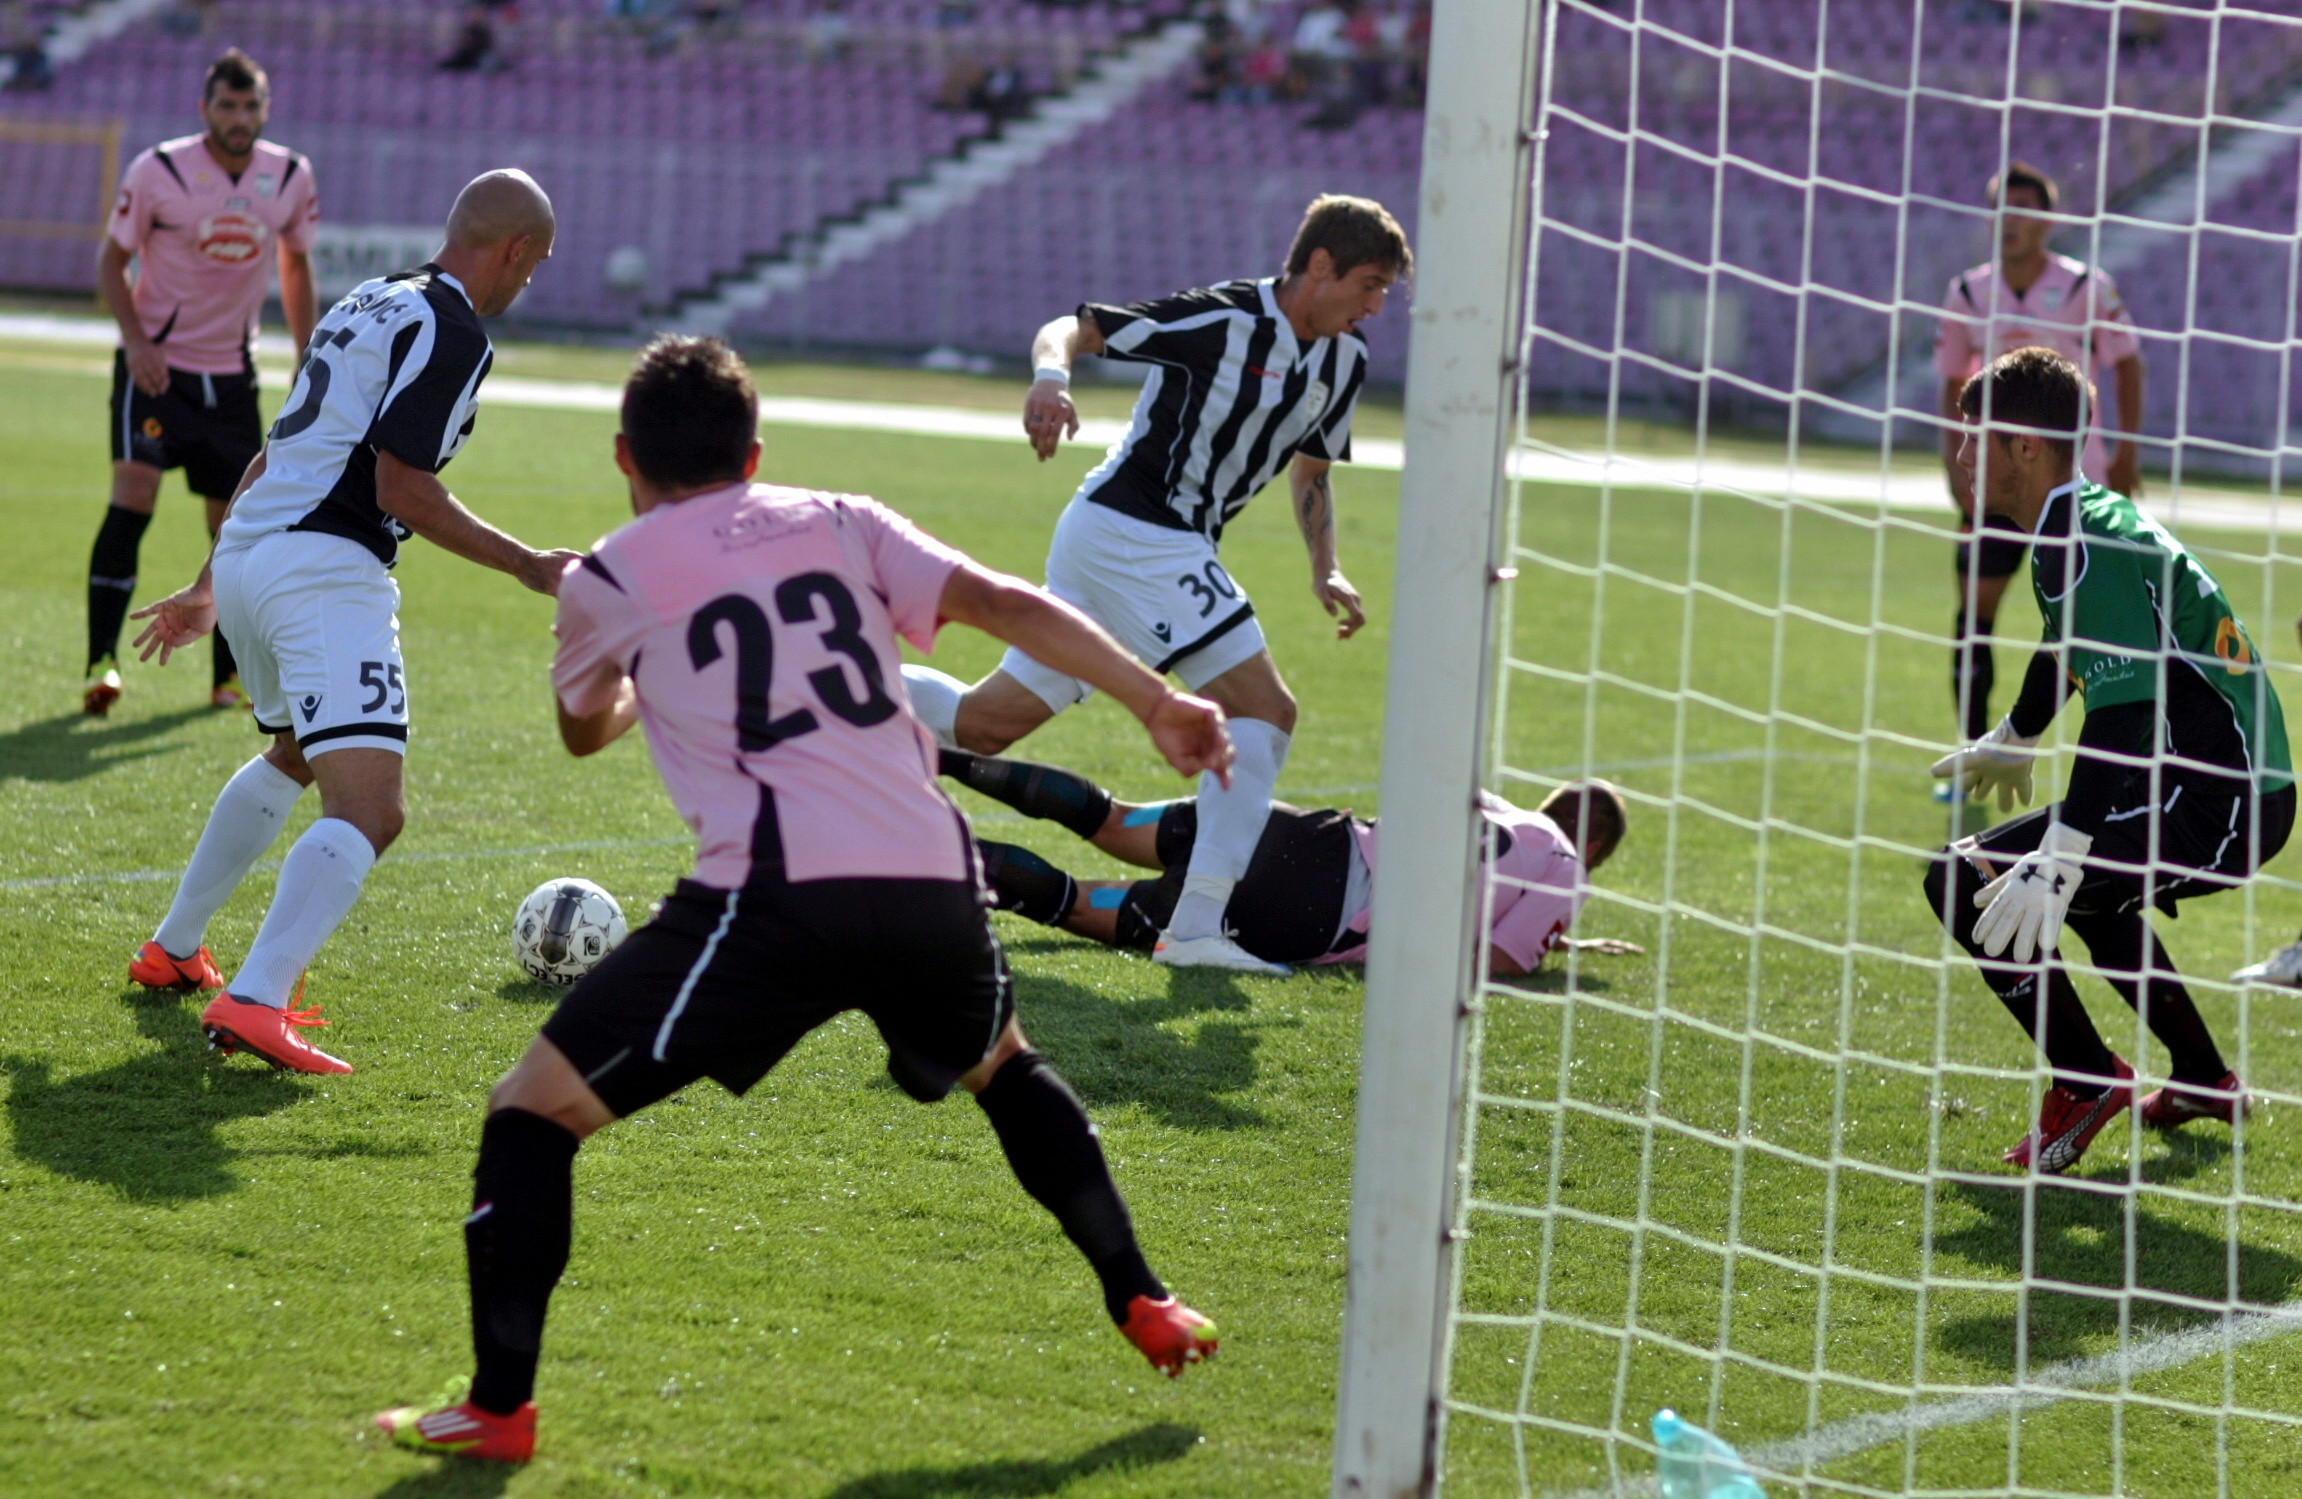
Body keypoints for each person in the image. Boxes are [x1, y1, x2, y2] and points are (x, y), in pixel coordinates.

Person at [371, 336, 1229, 1464]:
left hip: (773, 897)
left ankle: (497, 1407)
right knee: (1003, 1065)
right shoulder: (841, 517)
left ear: (624, 455)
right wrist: (1157, 699)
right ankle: (1144, 1295)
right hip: (931, 874)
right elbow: (1002, 599)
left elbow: (583, 732)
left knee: (532, 1113)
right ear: (754, 451)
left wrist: (630, 667)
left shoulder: (610, 576)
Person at [121, 170, 573, 1076]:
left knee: (294, 750)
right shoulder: (452, 329)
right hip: (324, 570)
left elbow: (280, 446)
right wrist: (531, 566)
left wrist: (212, 581)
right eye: (538, 264)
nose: (531, 282)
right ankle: (255, 998)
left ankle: (174, 947)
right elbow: (400, 488)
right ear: (516, 250)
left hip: (254, 552)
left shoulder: (371, 301)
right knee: (371, 808)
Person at [901, 193, 1408, 977]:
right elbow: (1078, 328)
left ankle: (829, 680)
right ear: (1319, 266)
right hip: (1134, 533)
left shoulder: (1346, 359)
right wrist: (1049, 379)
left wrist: (1324, 565)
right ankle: (1196, 924)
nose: (1377, 305)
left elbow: (1311, 468)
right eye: (1370, 284)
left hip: (1136, 548)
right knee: (1265, 708)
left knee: (984, 724)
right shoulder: (1226, 319)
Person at [1926, 346, 2290, 1175]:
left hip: (2218, 798)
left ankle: (2088, 1080)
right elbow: (2066, 652)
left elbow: (2123, 713)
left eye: (1975, 438)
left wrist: (2060, 851)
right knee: (2089, 896)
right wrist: (2014, 735)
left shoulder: (2082, 534)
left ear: (2024, 446)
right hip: (2222, 786)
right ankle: (2203, 1078)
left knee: (1961, 879)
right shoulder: (2078, 518)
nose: (1961, 457)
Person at [942, 747, 1637, 975]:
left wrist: (1559, 936)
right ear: (1598, 845)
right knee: (1070, 899)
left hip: (1308, 835)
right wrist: (1548, 948)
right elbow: (1501, 961)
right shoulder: (1570, 867)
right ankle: (931, 858)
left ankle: (938, 751)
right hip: (1314, 909)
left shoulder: (1500, 806)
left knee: (1107, 816)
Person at [85, 48, 319, 716]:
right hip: (156, 369)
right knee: (133, 495)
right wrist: (135, 341)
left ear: (265, 109)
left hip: (231, 379)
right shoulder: (157, 170)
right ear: (205, 109)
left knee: (234, 526)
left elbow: (296, 266)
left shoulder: (291, 175)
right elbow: (111, 262)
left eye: (251, 106)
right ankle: (101, 661)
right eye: (227, 105)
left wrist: (308, 353)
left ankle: (229, 678)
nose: (240, 118)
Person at [1932, 162, 2144, 781]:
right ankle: (1976, 749)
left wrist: (2127, 454)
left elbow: (2128, 365)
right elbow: (1952, 382)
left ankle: (2110, 762)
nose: (2012, 220)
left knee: (2095, 623)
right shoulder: (1969, 292)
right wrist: (1956, 461)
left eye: (2025, 208)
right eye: (2003, 207)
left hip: (2076, 480)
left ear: (2047, 220)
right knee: (1975, 615)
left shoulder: (2086, 287)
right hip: (1996, 483)